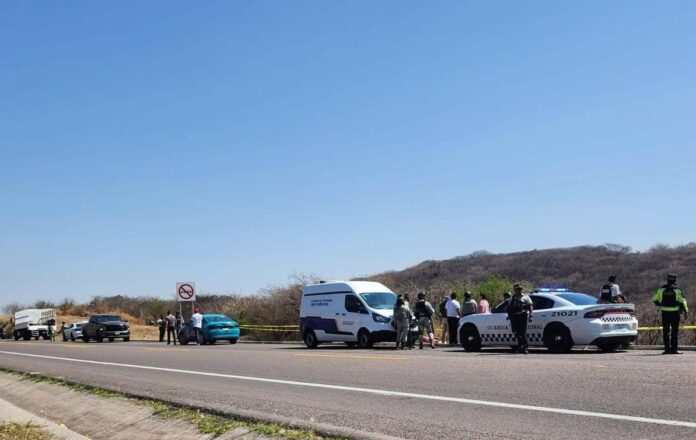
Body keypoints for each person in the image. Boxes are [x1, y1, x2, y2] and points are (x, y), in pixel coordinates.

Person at [652, 274, 689, 355]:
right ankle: (674, 350)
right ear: (675, 281)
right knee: (674, 331)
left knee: (666, 331)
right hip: (675, 313)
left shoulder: (661, 290)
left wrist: (660, 304)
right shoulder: (677, 290)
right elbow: (683, 301)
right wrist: (686, 312)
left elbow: (654, 299)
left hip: (665, 313)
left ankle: (667, 349)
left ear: (667, 280)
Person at [508, 284, 533, 354]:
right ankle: (520, 347)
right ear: (514, 290)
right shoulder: (512, 298)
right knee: (517, 333)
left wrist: (531, 315)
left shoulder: (525, 297)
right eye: (517, 289)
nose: (519, 290)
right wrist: (510, 316)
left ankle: (525, 348)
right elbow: (509, 308)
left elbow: (530, 306)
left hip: (523, 316)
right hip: (515, 317)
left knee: (523, 332)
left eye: (520, 289)